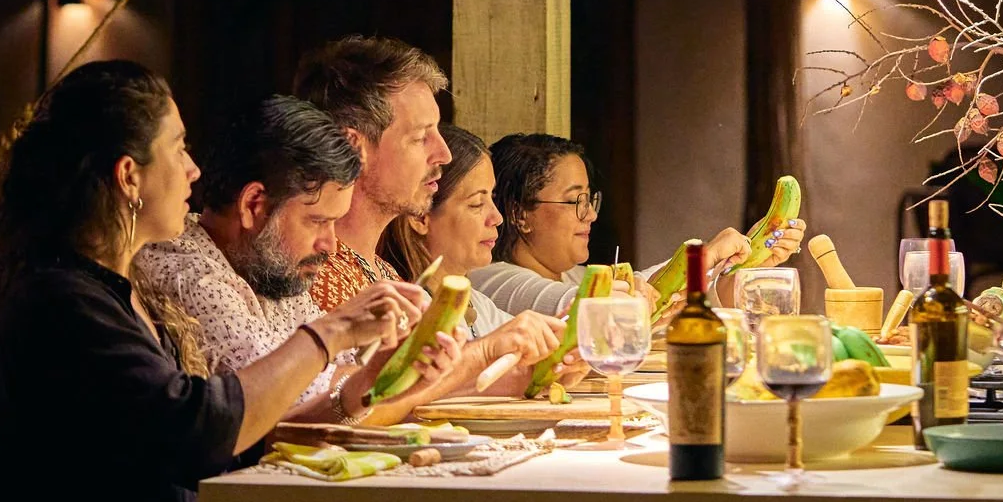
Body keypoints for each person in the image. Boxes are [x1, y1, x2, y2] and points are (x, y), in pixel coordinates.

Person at [0, 62, 453, 502]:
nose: (193, 170)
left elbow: (213, 448)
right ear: (129, 177)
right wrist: (328, 336)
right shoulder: (61, 303)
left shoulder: (112, 292)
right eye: (178, 149)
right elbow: (198, 429)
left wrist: (362, 385)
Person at [136, 95, 466, 428]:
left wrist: (391, 369)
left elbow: (337, 377)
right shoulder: (188, 271)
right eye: (318, 221)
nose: (331, 245)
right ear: (254, 205)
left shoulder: (268, 264)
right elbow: (290, 409)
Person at [471, 133, 799, 317]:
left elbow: (650, 289)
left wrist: (736, 270)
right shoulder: (492, 279)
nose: (591, 215)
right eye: (576, 202)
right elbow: (591, 307)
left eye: (590, 200)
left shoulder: (573, 274)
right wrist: (704, 257)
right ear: (518, 214)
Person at [382, 124, 586, 395]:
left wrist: (557, 359)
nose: (497, 218)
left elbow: (523, 366)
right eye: (477, 204)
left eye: (492, 199)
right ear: (421, 216)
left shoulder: (479, 305)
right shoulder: (405, 309)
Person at [293, 37, 453, 310]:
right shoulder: (316, 275)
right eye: (419, 138)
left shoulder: (383, 272)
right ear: (354, 146)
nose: (445, 154)